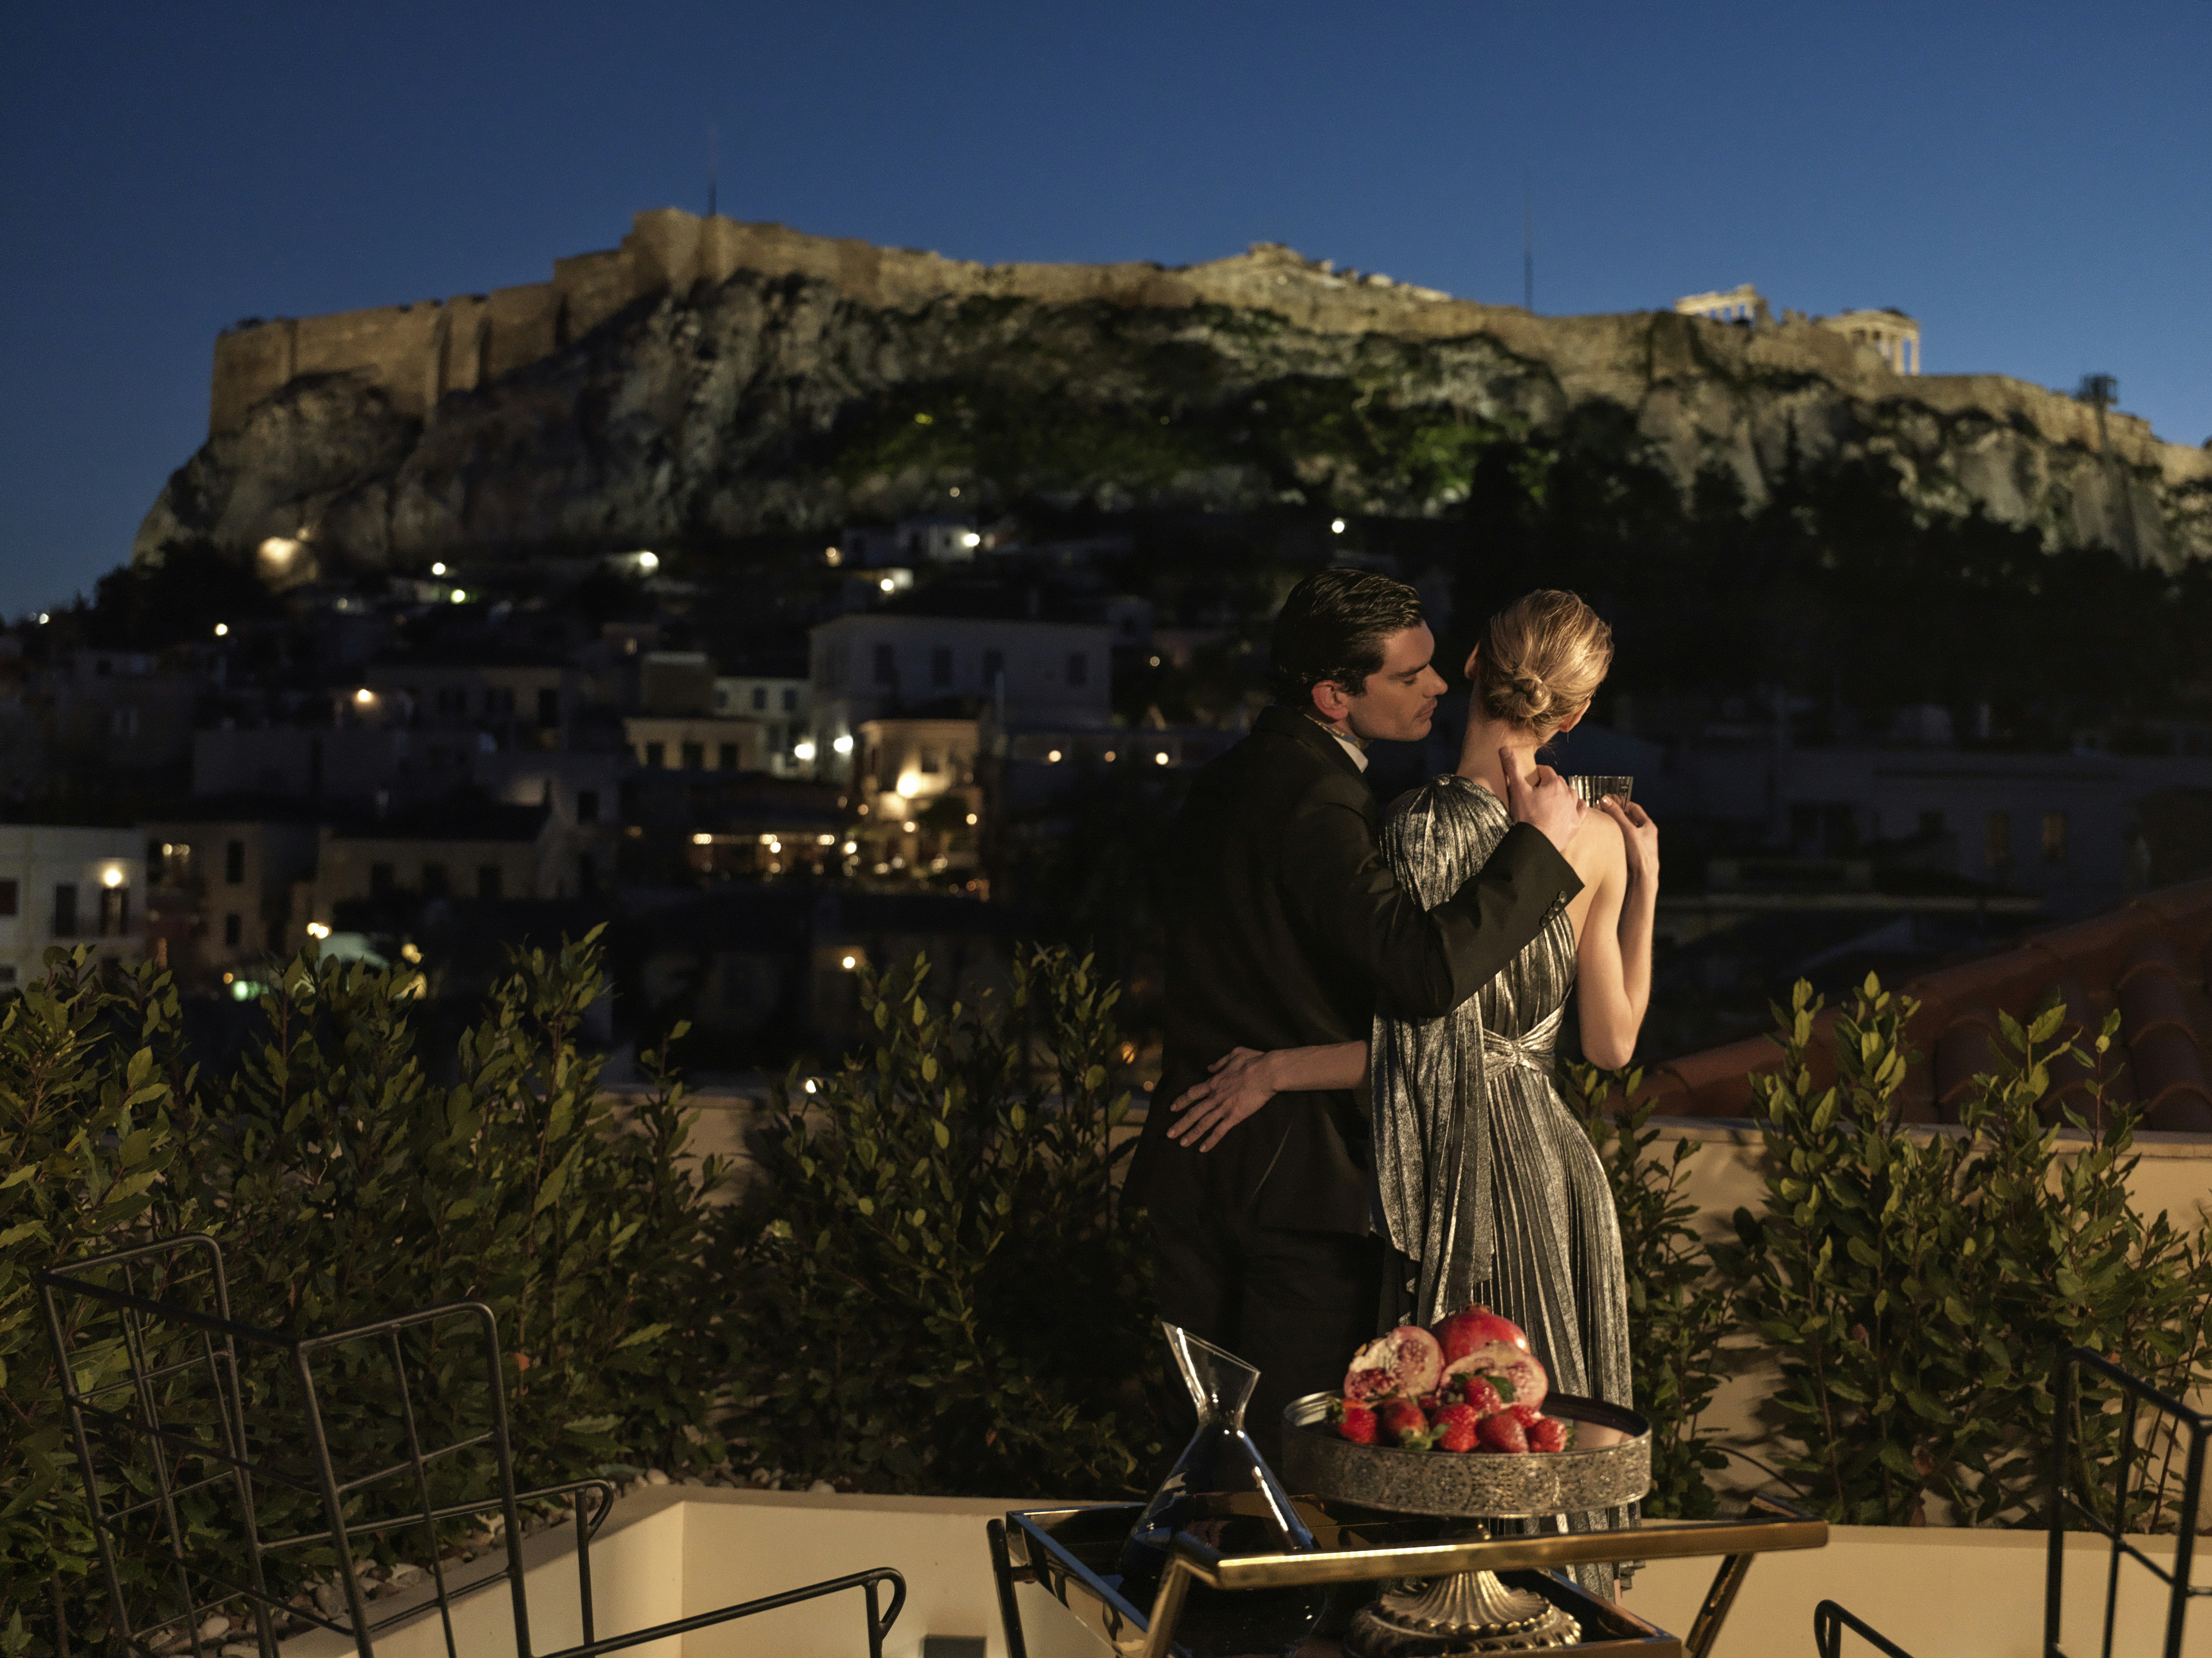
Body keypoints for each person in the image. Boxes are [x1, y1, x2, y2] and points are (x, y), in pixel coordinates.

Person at [1173, 589, 1657, 1592]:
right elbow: (1611, 1047)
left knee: (1439, 1428)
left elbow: (1421, 1038)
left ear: (1474, 661)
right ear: (1571, 717)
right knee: (1549, 1422)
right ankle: (1561, 1614)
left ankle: (1442, 1612)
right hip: (1555, 1163)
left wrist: (1275, 1068)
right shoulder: (1602, 834)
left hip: (1449, 1159)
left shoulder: (1410, 830)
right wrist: (1645, 889)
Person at [1123, 569, 1589, 1462]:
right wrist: (1535, 851)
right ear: (1333, 695)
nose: (1439, 687)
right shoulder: (1316, 803)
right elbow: (1420, 973)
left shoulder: (1225, 781)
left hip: (1192, 1164)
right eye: (1408, 677)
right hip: (1292, 1190)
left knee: (1193, 1461)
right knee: (1285, 1470)